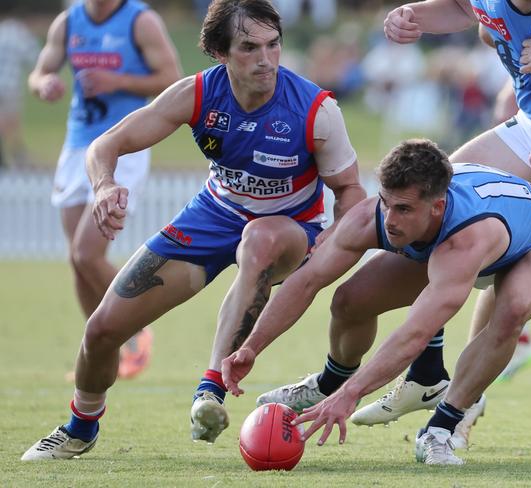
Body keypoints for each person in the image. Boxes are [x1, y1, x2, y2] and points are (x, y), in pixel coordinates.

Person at [21, 0, 365, 461]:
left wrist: (333, 239)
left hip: (289, 230)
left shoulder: (317, 111)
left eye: (273, 44)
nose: (265, 59)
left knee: (258, 240)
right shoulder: (197, 94)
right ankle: (80, 428)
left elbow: (350, 192)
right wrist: (104, 187)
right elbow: (107, 144)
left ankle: (210, 391)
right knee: (102, 329)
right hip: (212, 215)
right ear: (220, 54)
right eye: (248, 47)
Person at [340, 0, 531, 450]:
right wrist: (411, 16)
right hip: (529, 125)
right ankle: (433, 378)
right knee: (433, 205)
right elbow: (466, 13)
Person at [222, 139, 531, 465]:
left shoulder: (464, 243)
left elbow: (414, 334)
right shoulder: (372, 216)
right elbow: (307, 280)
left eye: (404, 209)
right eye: (386, 203)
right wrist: (253, 346)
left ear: (437, 207)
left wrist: (353, 393)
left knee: (512, 310)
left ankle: (441, 429)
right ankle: (327, 383)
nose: (390, 220)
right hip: (449, 235)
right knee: (350, 300)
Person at [27, 0, 181, 379]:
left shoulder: (140, 21)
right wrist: (43, 83)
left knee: (87, 253)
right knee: (77, 262)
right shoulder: (68, 22)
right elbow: (39, 72)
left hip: (123, 147)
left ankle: (139, 329)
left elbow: (173, 80)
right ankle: (102, 354)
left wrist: (120, 81)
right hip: (77, 146)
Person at [0, 7, 39, 168]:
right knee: (10, 123)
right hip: (10, 84)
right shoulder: (18, 32)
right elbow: (34, 57)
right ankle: (18, 156)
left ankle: (11, 156)